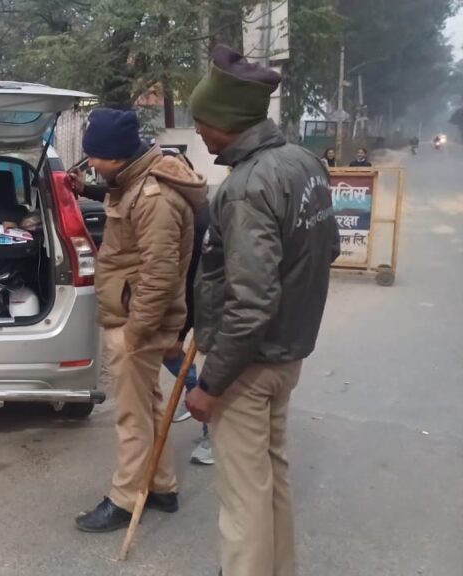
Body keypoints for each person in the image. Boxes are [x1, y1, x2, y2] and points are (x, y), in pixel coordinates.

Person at [185, 45, 340, 576]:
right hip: (286, 353)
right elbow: (327, 249)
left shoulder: (246, 187)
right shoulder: (305, 163)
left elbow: (251, 301)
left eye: (202, 121)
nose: (198, 131)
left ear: (227, 122)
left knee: (243, 496)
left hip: (247, 366)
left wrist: (211, 384)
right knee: (271, 475)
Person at [68, 108, 207, 533]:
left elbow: (159, 276)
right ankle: (162, 486)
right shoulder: (135, 181)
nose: (91, 163)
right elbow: (119, 201)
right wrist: (89, 189)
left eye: (94, 157)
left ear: (115, 155)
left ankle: (125, 499)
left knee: (131, 418)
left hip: (137, 324)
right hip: (137, 320)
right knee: (147, 406)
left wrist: (135, 333)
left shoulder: (154, 198)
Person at [164, 199, 214, 466]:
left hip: (210, 303)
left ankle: (213, 435)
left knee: (219, 372)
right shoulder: (180, 203)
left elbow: (194, 278)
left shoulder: (194, 216)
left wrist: (180, 333)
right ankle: (194, 387)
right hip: (195, 299)